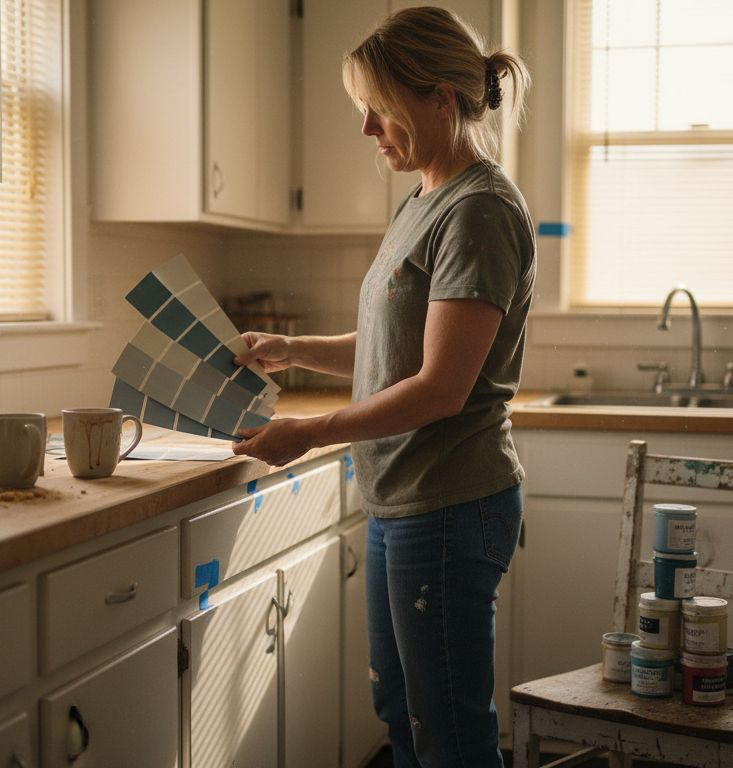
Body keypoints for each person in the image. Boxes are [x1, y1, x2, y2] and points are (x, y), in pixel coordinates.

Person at [232, 6, 533, 766]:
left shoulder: (478, 210)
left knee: (451, 734)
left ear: (440, 99)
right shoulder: (422, 203)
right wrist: (292, 350)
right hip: (407, 499)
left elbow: (439, 388)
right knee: (402, 712)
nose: (367, 129)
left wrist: (311, 433)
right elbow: (397, 347)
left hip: (450, 503)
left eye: (380, 108)